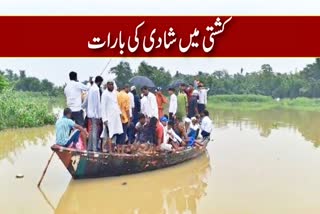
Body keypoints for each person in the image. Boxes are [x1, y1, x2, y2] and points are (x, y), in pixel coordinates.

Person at [101, 81, 123, 153]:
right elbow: (103, 107)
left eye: (112, 85)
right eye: (110, 85)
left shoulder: (114, 93)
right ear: (107, 85)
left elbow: (116, 104)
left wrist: (120, 113)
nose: (111, 86)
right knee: (109, 134)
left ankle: (112, 150)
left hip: (115, 117)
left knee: (115, 133)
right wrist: (104, 119)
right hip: (109, 118)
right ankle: (109, 151)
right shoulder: (104, 94)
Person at [86, 76, 103, 152]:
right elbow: (97, 104)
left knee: (91, 131)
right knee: (95, 132)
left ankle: (89, 148)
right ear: (99, 82)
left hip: (89, 113)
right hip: (95, 114)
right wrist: (99, 116)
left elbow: (87, 100)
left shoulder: (90, 89)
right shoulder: (96, 89)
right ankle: (94, 149)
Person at [117, 85, 131, 152]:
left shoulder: (117, 94)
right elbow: (127, 109)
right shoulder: (126, 96)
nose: (129, 90)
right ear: (125, 88)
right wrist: (129, 119)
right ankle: (122, 151)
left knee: (118, 134)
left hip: (117, 117)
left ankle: (117, 150)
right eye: (128, 88)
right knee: (123, 134)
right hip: (124, 118)